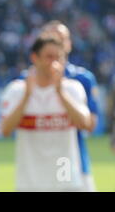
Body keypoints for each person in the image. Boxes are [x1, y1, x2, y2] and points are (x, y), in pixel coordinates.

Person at [1, 36, 91, 192]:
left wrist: (60, 92)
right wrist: (27, 96)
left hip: (66, 180)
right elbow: (6, 130)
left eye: (59, 57)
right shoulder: (17, 90)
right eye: (49, 57)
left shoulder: (73, 89)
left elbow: (85, 124)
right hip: (30, 183)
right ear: (34, 58)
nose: (54, 63)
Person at [39, 20, 99, 191]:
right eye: (50, 38)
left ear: (69, 44)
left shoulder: (82, 79)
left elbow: (91, 125)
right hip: (38, 166)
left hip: (76, 164)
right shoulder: (26, 81)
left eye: (61, 38)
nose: (55, 43)